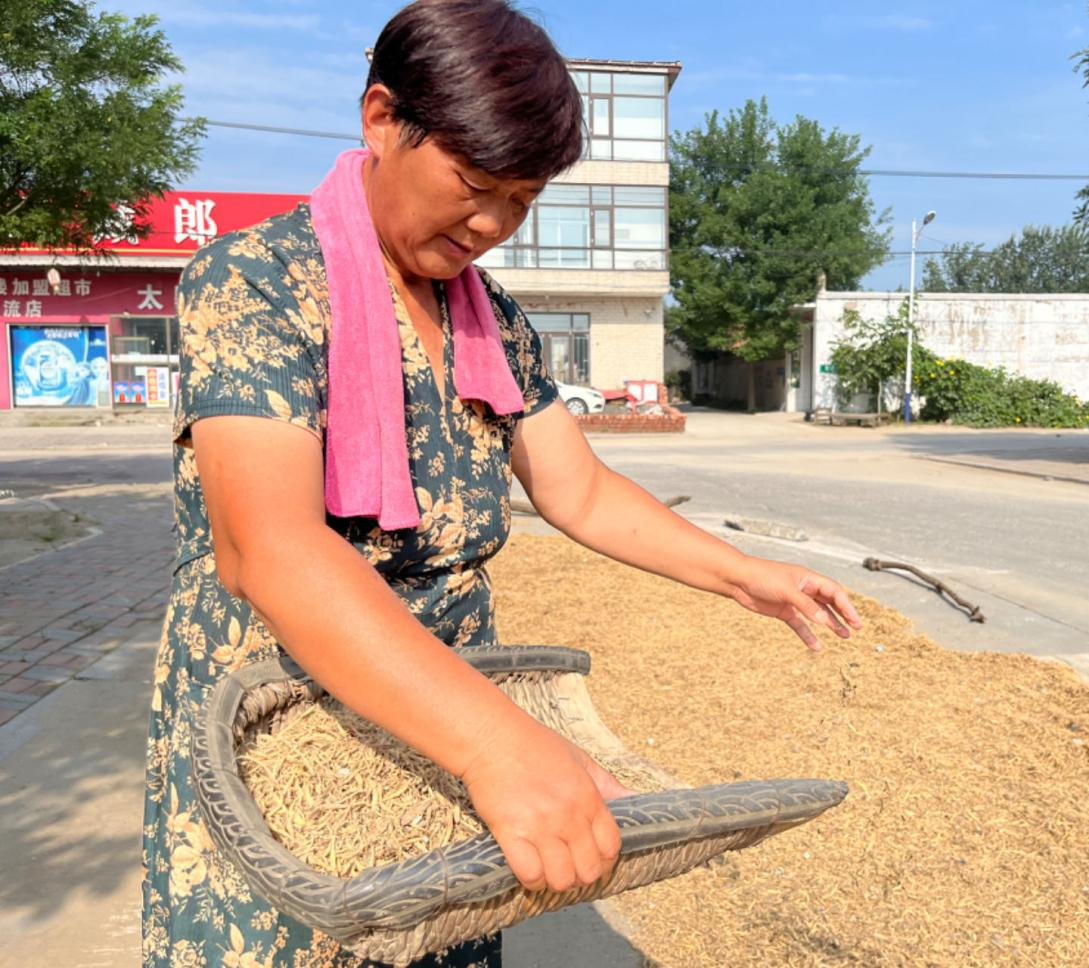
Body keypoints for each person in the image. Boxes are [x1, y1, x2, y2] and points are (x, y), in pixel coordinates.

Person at [141, 1, 862, 966]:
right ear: (382, 119)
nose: (492, 224)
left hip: (440, 702)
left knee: (436, 935)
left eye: (521, 199)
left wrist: (743, 575)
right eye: (474, 184)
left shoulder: (490, 321)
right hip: (284, 714)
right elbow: (269, 549)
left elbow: (582, 492)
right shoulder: (259, 284)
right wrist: (499, 746)